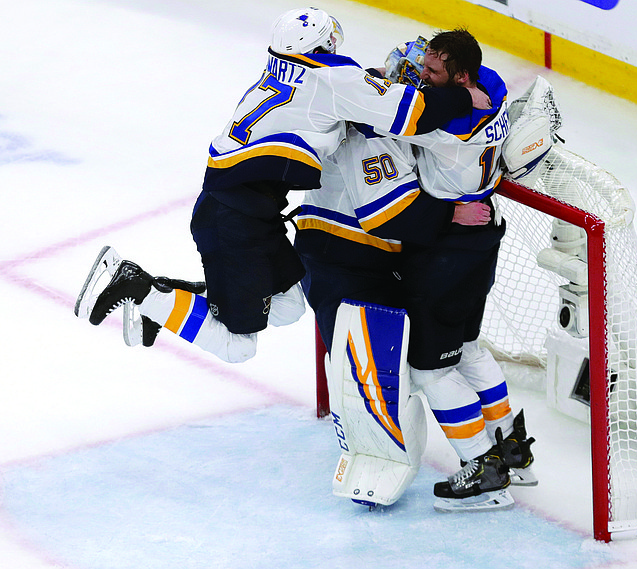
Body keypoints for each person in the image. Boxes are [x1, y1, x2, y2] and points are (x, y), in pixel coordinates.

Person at [74, 8, 490, 364]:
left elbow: (330, 99)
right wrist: (462, 100)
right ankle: (137, 287)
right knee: (239, 346)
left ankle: (166, 302)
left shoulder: (280, 70)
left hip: (244, 211)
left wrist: (371, 83)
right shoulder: (332, 78)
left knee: (289, 305)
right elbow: (412, 114)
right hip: (236, 219)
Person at [296, 30, 535, 508]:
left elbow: (398, 122)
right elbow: (447, 95)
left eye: (431, 73)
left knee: (429, 372)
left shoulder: (442, 128)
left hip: (445, 256)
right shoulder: (493, 91)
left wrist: (375, 90)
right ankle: (513, 451)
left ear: (460, 76)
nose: (422, 80)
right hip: (482, 241)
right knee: (467, 348)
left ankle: (482, 469)